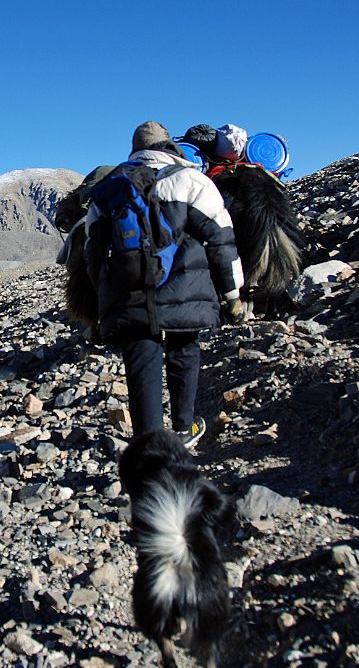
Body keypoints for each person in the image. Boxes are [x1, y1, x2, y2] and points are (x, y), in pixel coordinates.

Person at [84, 121, 246, 448]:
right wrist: (232, 295)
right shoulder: (192, 180)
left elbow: (91, 253)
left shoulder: (111, 188)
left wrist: (98, 309)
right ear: (169, 145)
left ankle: (150, 442)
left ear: (135, 149)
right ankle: (184, 430)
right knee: (184, 350)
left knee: (141, 359)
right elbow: (221, 242)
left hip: (130, 297)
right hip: (186, 294)